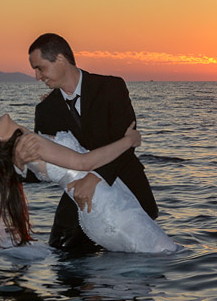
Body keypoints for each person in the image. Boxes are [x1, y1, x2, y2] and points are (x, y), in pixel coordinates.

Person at [16, 33, 158, 252]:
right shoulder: (45, 110)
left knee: (135, 268)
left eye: (40, 68)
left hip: (128, 190)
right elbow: (47, 168)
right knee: (61, 253)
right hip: (79, 201)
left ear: (61, 59)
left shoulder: (111, 87)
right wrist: (20, 164)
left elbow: (127, 143)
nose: (36, 76)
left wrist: (95, 177)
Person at [0, 113, 179, 254]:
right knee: (164, 252)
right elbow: (83, 162)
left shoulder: (26, 147)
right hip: (108, 208)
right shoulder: (30, 144)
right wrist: (129, 141)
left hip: (98, 210)